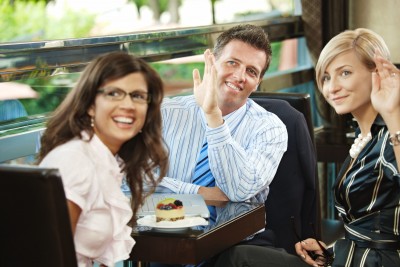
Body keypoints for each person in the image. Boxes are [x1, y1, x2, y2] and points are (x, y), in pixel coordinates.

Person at [215, 28, 400, 267]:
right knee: (238, 254)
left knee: (239, 259)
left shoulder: (390, 137)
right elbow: (371, 226)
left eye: (345, 73)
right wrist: (329, 252)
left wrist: (393, 113)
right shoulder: (363, 137)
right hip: (347, 258)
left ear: (378, 72)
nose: (332, 87)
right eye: (326, 77)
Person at [37, 52, 168, 267]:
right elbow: (48, 257)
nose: (128, 104)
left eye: (137, 96)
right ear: (90, 105)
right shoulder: (75, 160)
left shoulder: (107, 161)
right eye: (114, 93)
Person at [156, 24, 288, 204]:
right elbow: (126, 181)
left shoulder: (270, 129)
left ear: (258, 82)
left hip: (231, 232)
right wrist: (200, 193)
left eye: (251, 71)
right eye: (232, 62)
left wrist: (213, 117)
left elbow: (240, 190)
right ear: (211, 61)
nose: (240, 76)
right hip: (157, 227)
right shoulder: (165, 112)